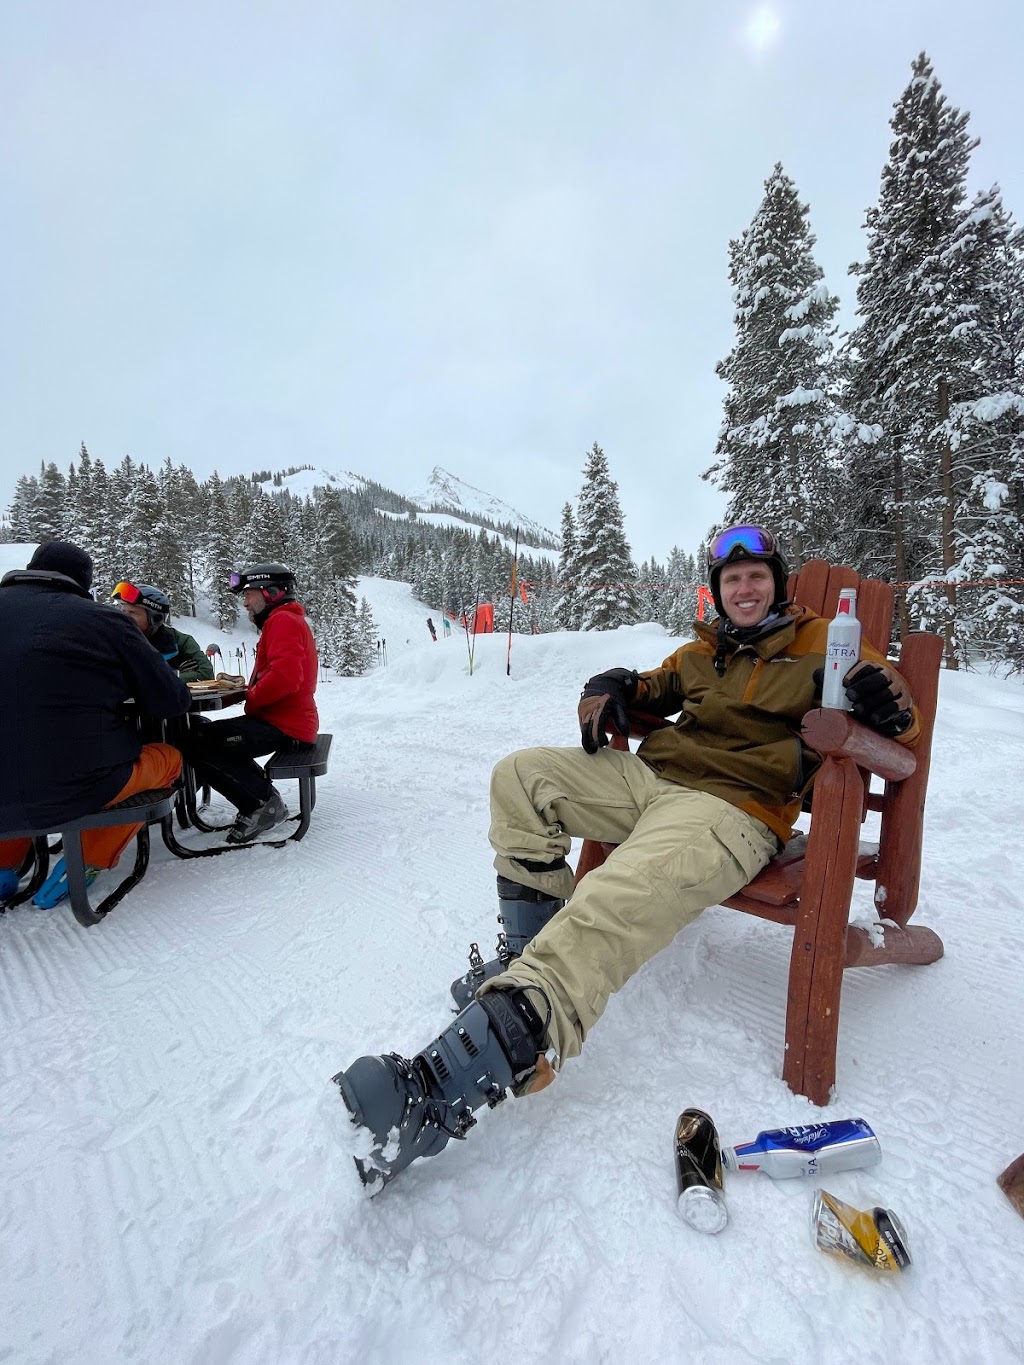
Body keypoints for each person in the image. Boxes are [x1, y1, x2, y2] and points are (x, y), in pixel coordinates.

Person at [327, 524, 921, 1191]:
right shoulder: (704, 651)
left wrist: (888, 708)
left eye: (756, 576)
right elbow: (648, 688)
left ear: (778, 582)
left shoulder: (822, 643)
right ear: (718, 591)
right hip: (653, 782)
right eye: (732, 580)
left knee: (615, 892)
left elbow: (892, 703)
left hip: (733, 809)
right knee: (520, 778)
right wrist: (610, 685)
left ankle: (441, 1090)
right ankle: (531, 954)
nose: (745, 588)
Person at [0, 542, 189, 908]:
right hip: (78, 782)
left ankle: (4, 868)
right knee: (167, 758)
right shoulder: (103, 621)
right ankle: (85, 861)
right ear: (82, 583)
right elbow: (171, 701)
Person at [178, 563, 318, 845]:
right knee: (205, 734)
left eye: (249, 594)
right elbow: (280, 674)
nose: (244, 603)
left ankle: (261, 805)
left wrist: (252, 697)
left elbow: (286, 677)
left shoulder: (283, 621)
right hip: (286, 722)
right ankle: (264, 800)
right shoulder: (283, 620)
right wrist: (246, 690)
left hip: (285, 726)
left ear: (272, 593)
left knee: (197, 741)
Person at [110, 581, 214, 681]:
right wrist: (171, 678)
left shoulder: (179, 642)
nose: (125, 617)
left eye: (133, 613)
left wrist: (167, 680)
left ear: (155, 618)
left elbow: (206, 673)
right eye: (123, 611)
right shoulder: (115, 641)